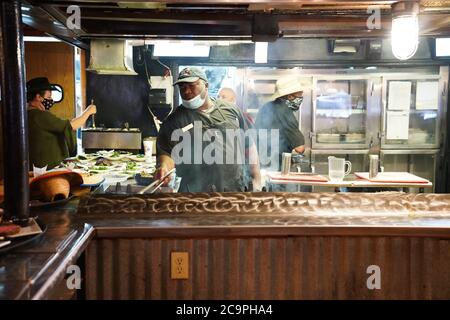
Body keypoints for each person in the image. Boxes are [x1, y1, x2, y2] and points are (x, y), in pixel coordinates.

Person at [155, 67, 258, 192]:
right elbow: (166, 154)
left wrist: (256, 178)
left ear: (206, 85)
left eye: (192, 85)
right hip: (194, 196)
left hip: (233, 190)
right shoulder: (173, 121)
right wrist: (164, 168)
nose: (186, 91)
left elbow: (250, 146)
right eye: (182, 87)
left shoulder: (231, 110)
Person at [26, 77, 96, 169]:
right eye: (48, 97)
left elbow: (65, 124)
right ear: (38, 97)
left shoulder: (30, 114)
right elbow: (71, 126)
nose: (51, 100)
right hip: (47, 170)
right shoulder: (39, 116)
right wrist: (88, 111)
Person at [255, 77, 306, 172]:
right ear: (290, 96)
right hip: (275, 167)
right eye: (299, 95)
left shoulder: (267, 106)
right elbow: (300, 148)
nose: (301, 99)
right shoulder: (285, 111)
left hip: (259, 165)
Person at [217, 87, 261, 191]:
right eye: (218, 96)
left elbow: (251, 148)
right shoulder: (217, 118)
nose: (219, 99)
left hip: (241, 171)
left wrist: (256, 178)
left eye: (223, 97)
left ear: (233, 100)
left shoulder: (241, 118)